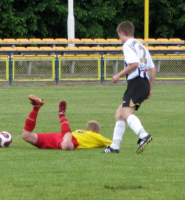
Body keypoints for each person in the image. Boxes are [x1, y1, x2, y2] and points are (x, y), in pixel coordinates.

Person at [103, 21, 156, 154]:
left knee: (126, 113)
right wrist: (150, 88)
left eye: (119, 35)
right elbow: (153, 69)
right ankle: (115, 145)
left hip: (136, 83)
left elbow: (134, 64)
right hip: (142, 83)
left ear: (121, 33)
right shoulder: (141, 46)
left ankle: (143, 135)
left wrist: (117, 75)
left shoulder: (127, 45)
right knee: (119, 114)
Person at [21, 95, 111, 150]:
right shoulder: (97, 136)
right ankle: (62, 115)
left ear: (86, 129)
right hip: (68, 139)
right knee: (67, 145)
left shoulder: (79, 131)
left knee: (26, 135)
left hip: (57, 137)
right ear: (97, 131)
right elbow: (114, 144)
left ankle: (36, 108)